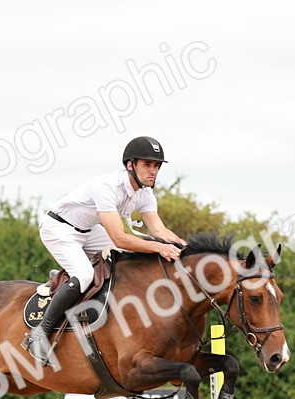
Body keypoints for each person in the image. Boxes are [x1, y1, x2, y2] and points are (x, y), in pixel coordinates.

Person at [23, 135, 188, 366]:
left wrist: (185, 248)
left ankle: (69, 280)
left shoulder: (145, 193)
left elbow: (159, 230)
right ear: (130, 165)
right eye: (147, 164)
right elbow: (119, 238)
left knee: (124, 261)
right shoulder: (107, 187)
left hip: (88, 230)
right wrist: (160, 248)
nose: (153, 171)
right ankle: (40, 333)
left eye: (157, 166)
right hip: (58, 228)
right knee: (85, 275)